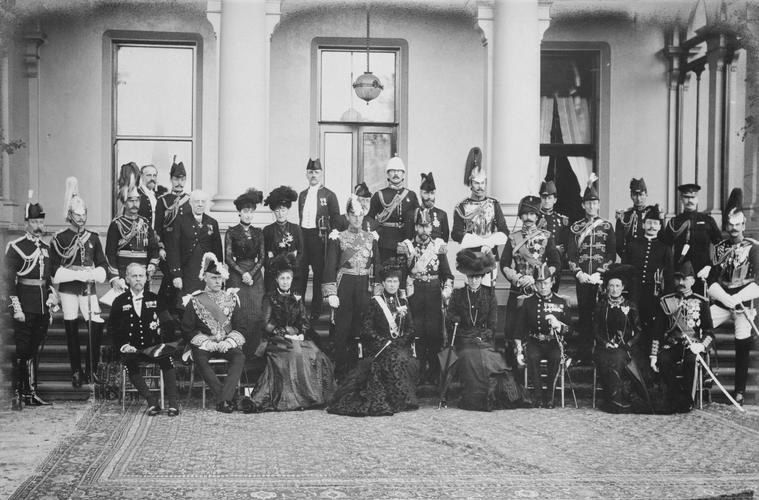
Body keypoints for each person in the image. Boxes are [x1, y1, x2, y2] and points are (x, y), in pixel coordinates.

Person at [242, 254, 335, 412]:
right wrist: (284, 333)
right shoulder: (270, 297)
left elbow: (304, 320)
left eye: (288, 278)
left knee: (316, 354)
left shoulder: (296, 297)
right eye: (282, 278)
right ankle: (292, 399)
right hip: (275, 339)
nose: (285, 281)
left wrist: (301, 333)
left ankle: (310, 398)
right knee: (294, 354)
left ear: (292, 280)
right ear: (277, 280)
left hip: (296, 336)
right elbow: (266, 323)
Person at [328, 260, 419, 416]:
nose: (392, 285)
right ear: (383, 283)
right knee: (393, 359)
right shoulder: (375, 303)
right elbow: (367, 329)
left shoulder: (403, 302)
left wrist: (400, 341)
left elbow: (411, 328)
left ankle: (403, 399)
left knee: (404, 358)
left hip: (399, 346)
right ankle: (393, 399)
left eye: (395, 281)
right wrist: (383, 342)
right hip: (380, 347)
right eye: (389, 281)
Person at [446, 249, 528, 411]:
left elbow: (492, 325)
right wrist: (456, 320)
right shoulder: (458, 294)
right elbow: (450, 319)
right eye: (471, 277)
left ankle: (494, 395)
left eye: (477, 277)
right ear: (467, 277)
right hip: (463, 340)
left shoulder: (489, 295)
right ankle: (476, 399)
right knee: (471, 355)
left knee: (491, 358)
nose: (474, 281)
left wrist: (481, 337)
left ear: (482, 277)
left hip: (484, 339)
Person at [50, 177, 109, 387]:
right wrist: (77, 274)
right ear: (70, 215)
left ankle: (91, 369)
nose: (82, 218)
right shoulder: (60, 239)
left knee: (95, 327)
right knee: (71, 330)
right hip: (68, 289)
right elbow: (54, 270)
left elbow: (102, 264)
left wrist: (94, 274)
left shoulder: (92, 238)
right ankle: (76, 371)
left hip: (88, 289)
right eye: (77, 214)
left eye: (84, 214)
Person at [705, 188, 758, 405]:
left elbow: (758, 283)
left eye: (738, 224)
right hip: (723, 302)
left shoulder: (754, 249)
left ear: (743, 225)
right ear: (726, 226)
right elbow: (712, 281)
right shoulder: (720, 249)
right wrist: (728, 300)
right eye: (730, 224)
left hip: (744, 304)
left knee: (742, 340)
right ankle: (704, 378)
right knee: (701, 321)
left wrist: (738, 301)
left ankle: (740, 391)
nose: (734, 229)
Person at [322, 195, 381, 380]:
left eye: (360, 215)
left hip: (364, 286)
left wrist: (377, 291)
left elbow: (377, 266)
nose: (357, 218)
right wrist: (331, 292)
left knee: (363, 328)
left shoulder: (371, 238)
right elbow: (330, 266)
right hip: (345, 285)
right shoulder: (337, 238)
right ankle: (341, 372)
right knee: (342, 330)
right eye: (353, 215)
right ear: (347, 216)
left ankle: (361, 372)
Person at [109, 263, 179, 416]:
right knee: (129, 360)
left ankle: (173, 403)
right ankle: (151, 401)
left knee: (166, 358)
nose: (138, 279)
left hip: (154, 347)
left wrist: (163, 344)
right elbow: (113, 329)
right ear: (127, 279)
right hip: (132, 348)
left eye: (141, 276)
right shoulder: (119, 302)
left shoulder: (155, 299)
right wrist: (123, 346)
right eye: (134, 276)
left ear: (146, 278)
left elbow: (168, 323)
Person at [5, 201, 56, 409]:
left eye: (40, 221)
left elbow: (48, 280)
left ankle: (30, 392)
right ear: (27, 223)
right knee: (22, 350)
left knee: (33, 351)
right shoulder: (16, 247)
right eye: (34, 221)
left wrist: (51, 301)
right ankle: (17, 393)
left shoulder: (46, 248)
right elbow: (8, 281)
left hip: (42, 308)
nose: (38, 225)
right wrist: (16, 308)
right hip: (24, 307)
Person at [181, 253, 246, 413]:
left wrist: (228, 342)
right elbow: (187, 328)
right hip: (205, 343)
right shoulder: (195, 300)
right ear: (204, 277)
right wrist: (206, 342)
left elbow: (241, 326)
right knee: (200, 358)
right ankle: (227, 399)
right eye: (213, 278)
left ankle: (223, 399)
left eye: (220, 278)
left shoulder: (231, 298)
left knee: (239, 357)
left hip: (226, 342)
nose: (218, 282)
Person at [501, 195, 561, 355]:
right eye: (526, 214)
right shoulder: (513, 238)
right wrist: (519, 279)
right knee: (512, 329)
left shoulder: (546, 237)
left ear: (537, 216)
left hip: (538, 290)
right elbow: (504, 264)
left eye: (532, 214)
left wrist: (536, 278)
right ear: (520, 216)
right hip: (518, 290)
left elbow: (556, 264)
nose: (529, 218)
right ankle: (514, 365)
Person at [651, 261, 714, 413]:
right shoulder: (666, 302)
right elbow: (658, 330)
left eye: (685, 279)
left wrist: (702, 346)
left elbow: (709, 332)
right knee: (663, 360)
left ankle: (687, 401)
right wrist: (653, 354)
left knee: (691, 361)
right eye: (678, 279)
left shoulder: (702, 302)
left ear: (692, 280)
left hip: (693, 345)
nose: (681, 283)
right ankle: (676, 395)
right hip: (673, 344)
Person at [399, 208, 453, 383]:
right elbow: (402, 273)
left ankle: (435, 371)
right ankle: (420, 371)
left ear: (431, 228)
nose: (424, 230)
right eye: (420, 226)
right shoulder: (408, 247)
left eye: (427, 226)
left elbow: (447, 274)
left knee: (435, 333)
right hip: (414, 293)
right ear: (415, 227)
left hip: (434, 293)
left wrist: (447, 290)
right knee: (417, 331)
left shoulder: (437, 247)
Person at [567, 175, 615, 363]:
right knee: (585, 315)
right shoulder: (575, 227)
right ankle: (584, 352)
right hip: (583, 279)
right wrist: (578, 273)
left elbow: (611, 254)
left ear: (599, 205)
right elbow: (571, 255)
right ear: (583, 206)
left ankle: (600, 352)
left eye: (594, 203)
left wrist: (600, 272)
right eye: (588, 203)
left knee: (601, 315)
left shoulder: (607, 226)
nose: (591, 207)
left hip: (600, 279)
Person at [592, 264, 646, 413]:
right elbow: (595, 330)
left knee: (618, 357)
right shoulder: (601, 306)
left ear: (623, 287)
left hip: (625, 348)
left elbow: (639, 331)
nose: (614, 289)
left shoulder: (630, 306)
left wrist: (628, 344)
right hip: (604, 347)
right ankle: (613, 399)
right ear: (607, 288)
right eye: (611, 286)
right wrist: (605, 343)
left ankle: (620, 400)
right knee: (607, 358)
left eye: (617, 286)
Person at [514, 264, 569, 408]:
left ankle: (550, 397)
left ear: (552, 282)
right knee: (532, 357)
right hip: (534, 341)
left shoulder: (561, 302)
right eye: (539, 283)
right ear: (535, 284)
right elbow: (519, 328)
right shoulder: (528, 302)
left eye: (545, 283)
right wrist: (519, 349)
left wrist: (559, 326)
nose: (543, 286)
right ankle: (538, 396)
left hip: (554, 342)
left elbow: (571, 329)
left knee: (556, 357)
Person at [451, 147, 508, 286]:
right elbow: (456, 233)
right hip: (469, 256)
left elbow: (504, 230)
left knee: (488, 293)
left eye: (483, 183)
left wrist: (489, 243)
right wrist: (480, 242)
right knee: (471, 292)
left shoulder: (494, 204)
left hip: (490, 255)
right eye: (476, 183)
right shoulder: (461, 207)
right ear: (470, 184)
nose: (480, 187)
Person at [622, 204, 673, 353]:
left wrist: (666, 298)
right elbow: (625, 270)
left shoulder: (665, 249)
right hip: (634, 294)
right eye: (649, 223)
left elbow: (669, 276)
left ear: (659, 226)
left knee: (652, 330)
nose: (652, 226)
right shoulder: (632, 245)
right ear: (643, 224)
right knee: (633, 326)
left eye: (655, 223)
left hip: (655, 297)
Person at [225, 188, 266, 357]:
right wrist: (243, 273)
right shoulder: (231, 232)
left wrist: (252, 273)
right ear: (239, 213)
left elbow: (262, 257)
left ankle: (254, 353)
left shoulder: (258, 232)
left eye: (251, 212)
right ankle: (239, 352)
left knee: (256, 312)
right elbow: (227, 257)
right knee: (240, 313)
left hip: (255, 276)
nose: (248, 215)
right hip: (237, 274)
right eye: (245, 211)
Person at [297, 158, 340, 320]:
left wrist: (331, 237)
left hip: (319, 238)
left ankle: (316, 311)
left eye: (316, 172)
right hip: (303, 236)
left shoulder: (329, 195)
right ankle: (298, 310)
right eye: (310, 172)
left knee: (318, 275)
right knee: (300, 274)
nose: (313, 175)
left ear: (321, 174)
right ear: (306, 174)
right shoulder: (302, 195)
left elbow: (335, 218)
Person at [660, 183, 721, 289]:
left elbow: (720, 246)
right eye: (686, 197)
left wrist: (710, 266)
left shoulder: (708, 220)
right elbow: (666, 248)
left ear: (697, 199)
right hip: (680, 273)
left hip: (703, 272)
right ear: (681, 199)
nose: (690, 201)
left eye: (693, 197)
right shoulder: (674, 222)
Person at [154, 158, 190, 337]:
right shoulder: (163, 201)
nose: (179, 182)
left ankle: (183, 330)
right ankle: (166, 328)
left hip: (187, 255)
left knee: (183, 293)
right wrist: (160, 247)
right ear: (171, 179)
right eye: (176, 179)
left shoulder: (191, 201)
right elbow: (157, 229)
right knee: (168, 292)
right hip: (168, 254)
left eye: (182, 179)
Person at [166, 189, 223, 298]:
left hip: (206, 273)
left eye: (203, 201)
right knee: (187, 304)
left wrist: (217, 275)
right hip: (186, 271)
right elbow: (174, 249)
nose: (200, 204)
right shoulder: (180, 220)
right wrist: (176, 275)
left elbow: (217, 252)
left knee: (207, 303)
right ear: (191, 203)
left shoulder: (212, 222)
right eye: (197, 201)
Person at [367, 155, 419, 265]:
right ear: (387, 174)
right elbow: (370, 218)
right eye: (392, 171)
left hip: (405, 241)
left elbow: (418, 219)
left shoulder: (411, 195)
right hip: (385, 241)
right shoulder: (379, 195)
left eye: (399, 171)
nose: (396, 174)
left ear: (403, 174)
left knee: (403, 274)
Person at [105, 184, 160, 283]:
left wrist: (152, 264)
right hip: (123, 274)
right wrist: (115, 277)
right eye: (131, 200)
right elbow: (110, 254)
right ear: (124, 203)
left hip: (142, 274)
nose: (134, 204)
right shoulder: (116, 224)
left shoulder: (145, 223)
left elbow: (154, 249)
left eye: (137, 200)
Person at [263, 185, 303, 293]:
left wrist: (291, 266)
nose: (280, 214)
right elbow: (265, 254)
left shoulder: (296, 229)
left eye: (283, 210)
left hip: (292, 274)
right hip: (273, 274)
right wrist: (274, 267)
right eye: (277, 211)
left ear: (288, 210)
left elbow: (301, 252)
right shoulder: (267, 230)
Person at [615, 178, 661, 261]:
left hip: (650, 259)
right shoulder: (624, 216)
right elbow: (618, 243)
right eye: (635, 195)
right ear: (631, 195)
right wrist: (627, 257)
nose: (638, 199)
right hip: (629, 260)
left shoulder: (653, 214)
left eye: (641, 194)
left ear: (646, 194)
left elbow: (661, 238)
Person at [537, 180, 569, 284]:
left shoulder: (561, 220)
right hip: (538, 259)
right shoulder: (534, 218)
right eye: (544, 198)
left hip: (555, 261)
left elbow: (565, 243)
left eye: (549, 198)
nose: (546, 201)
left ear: (555, 200)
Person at [412, 172, 449, 242]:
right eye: (426, 193)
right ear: (420, 194)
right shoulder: (413, 214)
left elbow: (444, 242)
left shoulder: (442, 214)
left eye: (432, 193)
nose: (429, 197)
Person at [138, 164, 159, 229]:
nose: (152, 178)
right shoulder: (136, 195)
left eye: (154, 175)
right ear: (141, 176)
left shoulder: (157, 196)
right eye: (149, 175)